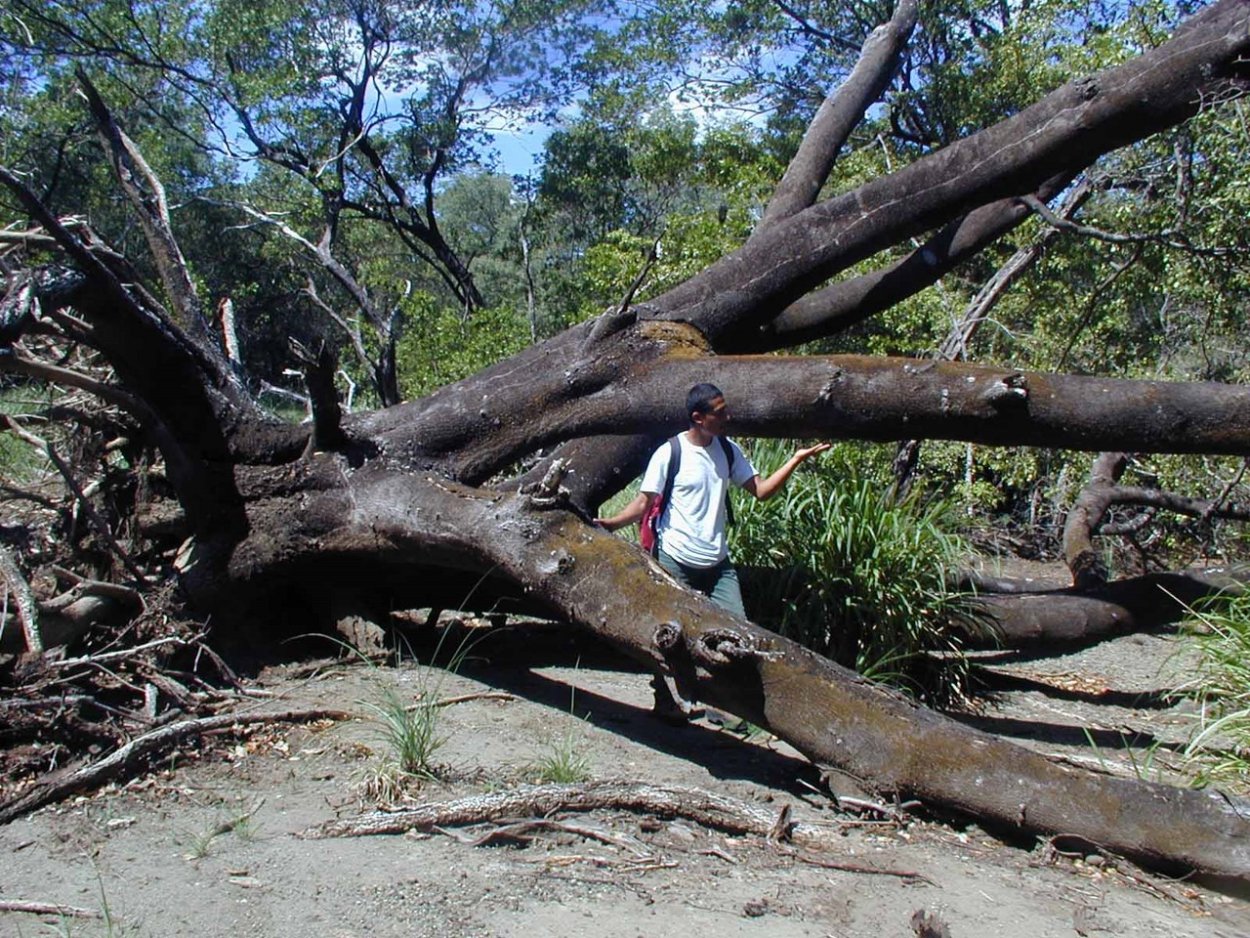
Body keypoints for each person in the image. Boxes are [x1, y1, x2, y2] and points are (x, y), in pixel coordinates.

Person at [598, 383, 830, 618]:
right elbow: (642, 503)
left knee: (739, 627)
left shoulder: (729, 451)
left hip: (718, 565)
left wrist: (796, 459)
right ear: (698, 418)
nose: (726, 417)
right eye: (719, 413)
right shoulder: (670, 453)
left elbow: (762, 491)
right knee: (677, 630)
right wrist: (611, 524)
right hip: (675, 560)